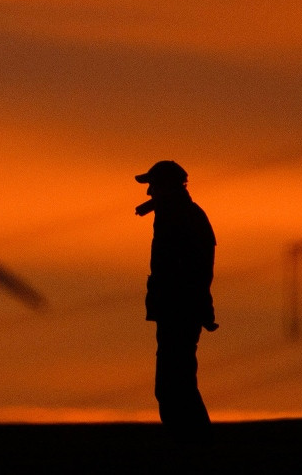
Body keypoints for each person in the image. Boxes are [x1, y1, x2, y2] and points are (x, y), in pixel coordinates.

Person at [135, 160, 217, 440]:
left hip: (179, 312)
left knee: (174, 385)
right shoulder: (180, 214)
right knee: (175, 384)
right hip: (179, 311)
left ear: (167, 187)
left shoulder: (180, 217)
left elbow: (192, 269)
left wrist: (183, 304)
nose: (149, 194)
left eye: (153, 186)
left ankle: (192, 446)